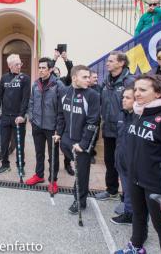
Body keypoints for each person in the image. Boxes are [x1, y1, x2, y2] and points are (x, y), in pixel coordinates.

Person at [114, 74, 161, 254]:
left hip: (155, 184)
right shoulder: (137, 113)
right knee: (138, 216)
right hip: (134, 178)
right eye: (135, 89)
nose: (137, 94)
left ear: (158, 93)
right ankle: (136, 246)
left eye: (143, 90)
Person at [54, 65, 100, 214]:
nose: (88, 80)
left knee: (82, 172)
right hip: (67, 139)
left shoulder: (92, 95)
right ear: (74, 78)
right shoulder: (65, 92)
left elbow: (93, 122)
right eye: (84, 77)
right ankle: (78, 192)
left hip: (82, 142)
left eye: (89, 77)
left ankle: (80, 201)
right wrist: (58, 133)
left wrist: (84, 144)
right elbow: (61, 115)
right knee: (79, 170)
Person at [96, 51, 134, 201]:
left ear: (121, 63)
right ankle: (111, 190)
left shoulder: (130, 81)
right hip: (108, 129)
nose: (107, 63)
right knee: (109, 161)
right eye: (108, 61)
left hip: (123, 129)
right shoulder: (105, 82)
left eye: (111, 61)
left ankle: (128, 196)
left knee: (124, 163)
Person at [26, 57, 66, 194]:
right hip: (37, 125)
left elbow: (62, 110)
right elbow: (31, 102)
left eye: (44, 68)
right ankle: (39, 175)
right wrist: (31, 118)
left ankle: (53, 180)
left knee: (53, 155)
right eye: (40, 67)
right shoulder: (35, 84)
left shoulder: (58, 85)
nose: (41, 70)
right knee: (39, 153)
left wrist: (58, 129)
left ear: (50, 70)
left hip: (52, 127)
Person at [0, 54, 31, 175]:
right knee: (4, 143)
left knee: (20, 145)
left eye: (20, 64)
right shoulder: (4, 78)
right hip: (5, 116)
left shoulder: (25, 78)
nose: (19, 66)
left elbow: (26, 98)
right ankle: (5, 164)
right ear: (10, 66)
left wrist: (22, 115)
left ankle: (20, 166)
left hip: (18, 117)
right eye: (17, 64)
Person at [110, 85, 135, 225]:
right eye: (123, 97)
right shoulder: (122, 114)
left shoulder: (138, 118)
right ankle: (128, 210)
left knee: (131, 190)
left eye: (128, 98)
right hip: (121, 158)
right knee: (126, 188)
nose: (123, 100)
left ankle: (130, 215)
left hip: (131, 162)